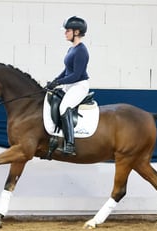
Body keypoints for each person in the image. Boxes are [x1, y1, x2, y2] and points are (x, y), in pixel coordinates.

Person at [46, 16, 90, 156]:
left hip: (79, 85)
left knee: (64, 107)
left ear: (76, 32)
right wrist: (55, 81)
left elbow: (76, 75)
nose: (65, 33)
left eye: (67, 31)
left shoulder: (81, 51)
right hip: (69, 85)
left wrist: (59, 82)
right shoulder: (71, 49)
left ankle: (70, 144)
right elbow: (66, 70)